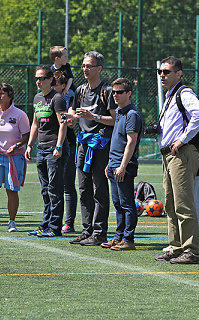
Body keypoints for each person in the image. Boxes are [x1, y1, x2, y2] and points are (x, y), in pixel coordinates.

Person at [153, 56, 199, 264]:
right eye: (161, 72)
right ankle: (176, 247)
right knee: (170, 204)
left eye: (167, 72)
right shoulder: (170, 95)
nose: (163, 76)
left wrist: (182, 139)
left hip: (180, 153)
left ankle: (192, 250)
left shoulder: (184, 93)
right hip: (169, 154)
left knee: (183, 204)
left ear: (179, 73)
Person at [67, 51, 117, 246]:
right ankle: (86, 230)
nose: (85, 69)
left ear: (99, 68)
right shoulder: (80, 90)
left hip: (101, 145)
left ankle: (99, 233)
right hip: (83, 143)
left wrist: (94, 117)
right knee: (83, 189)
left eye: (89, 66)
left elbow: (115, 120)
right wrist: (72, 118)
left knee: (99, 190)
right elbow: (74, 110)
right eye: (83, 66)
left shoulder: (107, 91)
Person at [0, 83, 30, 232]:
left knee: (11, 190)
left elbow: (26, 135)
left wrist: (16, 146)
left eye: (2, 94)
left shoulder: (20, 114)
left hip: (13, 158)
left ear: (10, 97)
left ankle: (12, 223)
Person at [25, 66, 68, 237]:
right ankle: (45, 224)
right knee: (45, 189)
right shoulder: (37, 98)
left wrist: (59, 146)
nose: (38, 81)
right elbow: (35, 123)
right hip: (41, 149)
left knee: (54, 189)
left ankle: (55, 227)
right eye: (37, 78)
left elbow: (63, 123)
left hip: (53, 149)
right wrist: (29, 145)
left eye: (42, 78)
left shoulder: (57, 99)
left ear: (50, 79)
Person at [101, 78, 142, 251]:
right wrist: (110, 163)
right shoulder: (119, 112)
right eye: (113, 92)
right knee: (117, 203)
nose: (115, 95)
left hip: (123, 165)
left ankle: (128, 239)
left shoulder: (132, 114)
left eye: (119, 92)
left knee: (126, 204)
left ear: (129, 93)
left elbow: (131, 142)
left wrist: (123, 165)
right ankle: (118, 237)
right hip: (114, 164)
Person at [52, 71, 77, 234]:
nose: (52, 87)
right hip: (49, 146)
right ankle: (53, 221)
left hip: (68, 144)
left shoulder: (67, 97)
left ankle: (68, 223)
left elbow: (70, 123)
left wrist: (70, 118)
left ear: (63, 86)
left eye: (55, 84)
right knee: (52, 186)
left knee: (68, 185)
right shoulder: (46, 99)